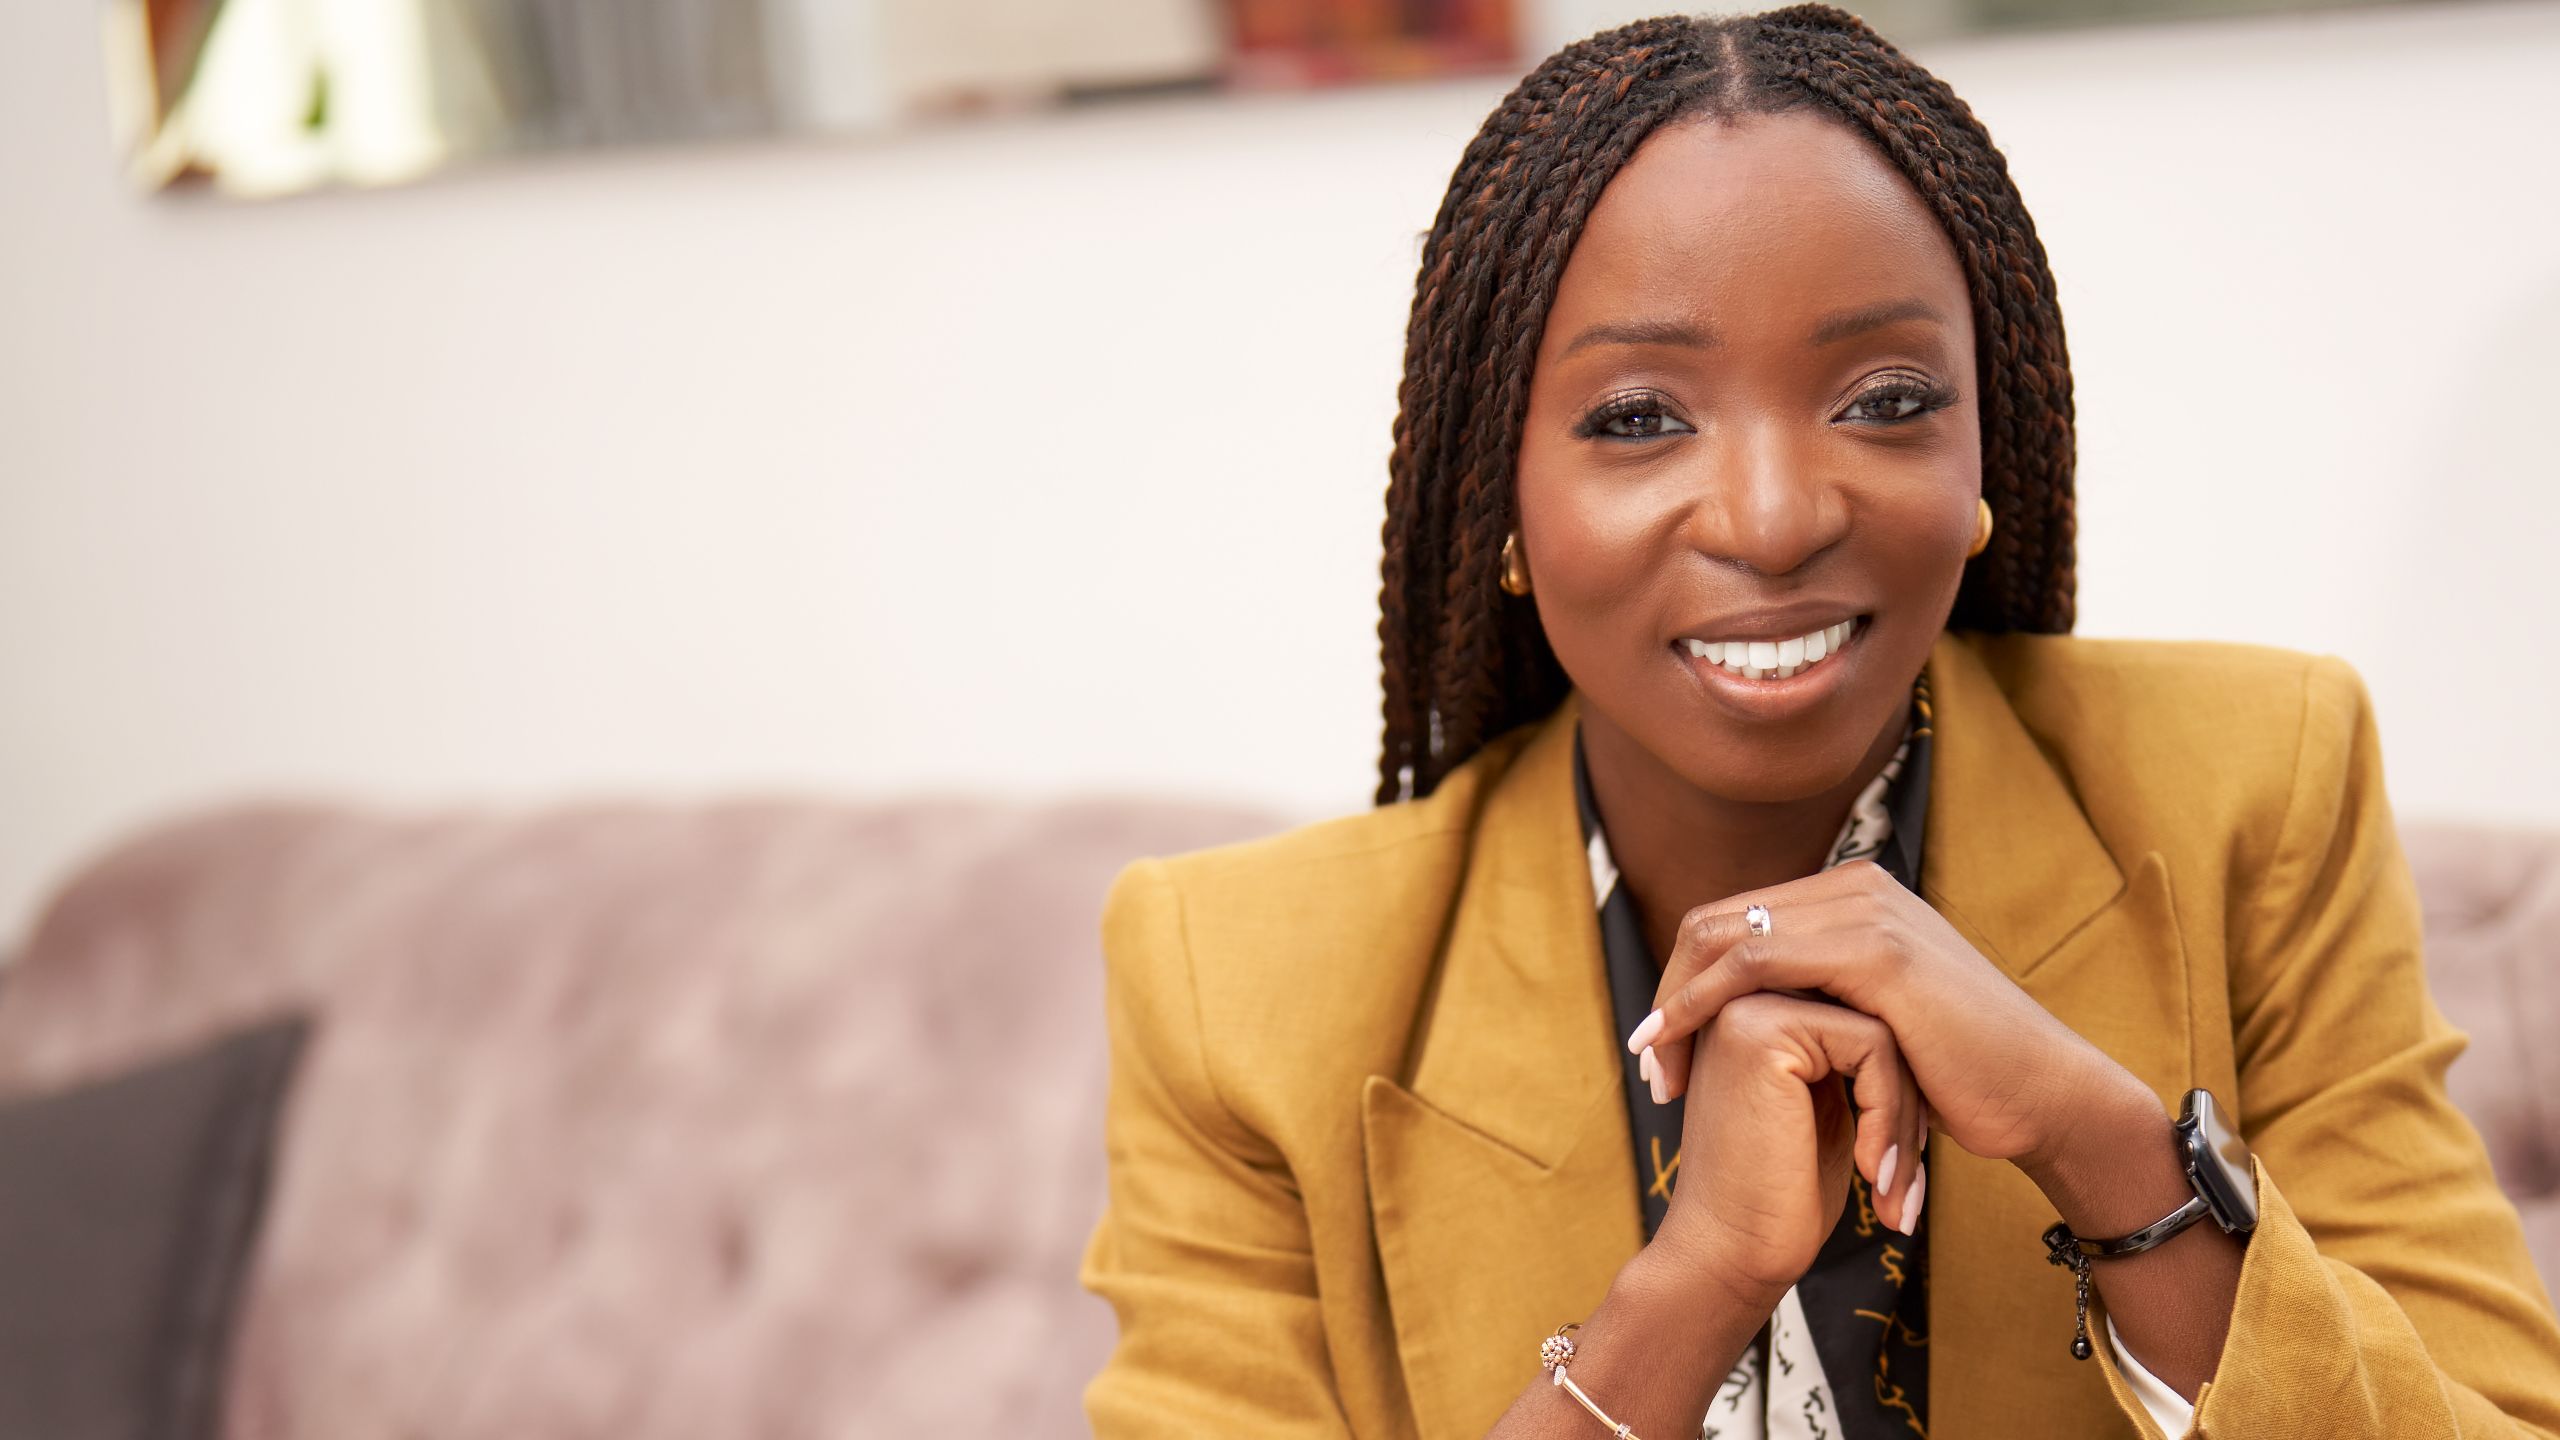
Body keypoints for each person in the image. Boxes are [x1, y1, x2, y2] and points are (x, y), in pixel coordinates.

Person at [1076, 7, 2560, 1438]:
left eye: (1886, 395)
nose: (1776, 519)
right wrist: (1691, 1284)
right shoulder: (1242, 985)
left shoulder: (2251, 789)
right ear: (1501, 505)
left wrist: (2101, 1145)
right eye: (1639, 417)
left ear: (1993, 442)